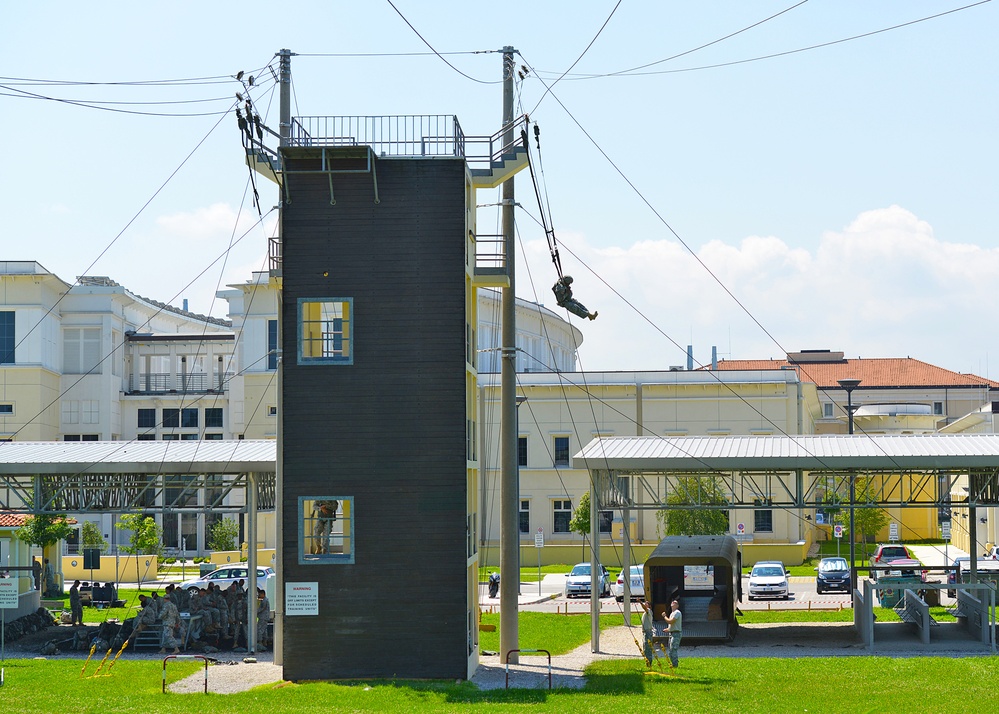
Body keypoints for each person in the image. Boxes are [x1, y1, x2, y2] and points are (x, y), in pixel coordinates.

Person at [640, 600, 665, 669]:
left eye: (646, 603)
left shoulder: (649, 611)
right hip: (645, 632)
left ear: (649, 606)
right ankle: (647, 663)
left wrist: (640, 602)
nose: (645, 604)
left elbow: (644, 608)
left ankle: (649, 663)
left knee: (648, 648)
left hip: (648, 632)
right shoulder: (646, 612)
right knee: (645, 648)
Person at [663, 599, 683, 669]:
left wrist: (664, 616)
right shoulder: (672, 613)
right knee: (670, 650)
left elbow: (670, 621)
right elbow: (671, 625)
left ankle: (675, 665)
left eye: (675, 602)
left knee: (673, 650)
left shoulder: (677, 612)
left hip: (676, 634)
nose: (673, 603)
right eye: (672, 602)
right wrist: (667, 629)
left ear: (677, 606)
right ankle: (673, 664)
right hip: (671, 633)